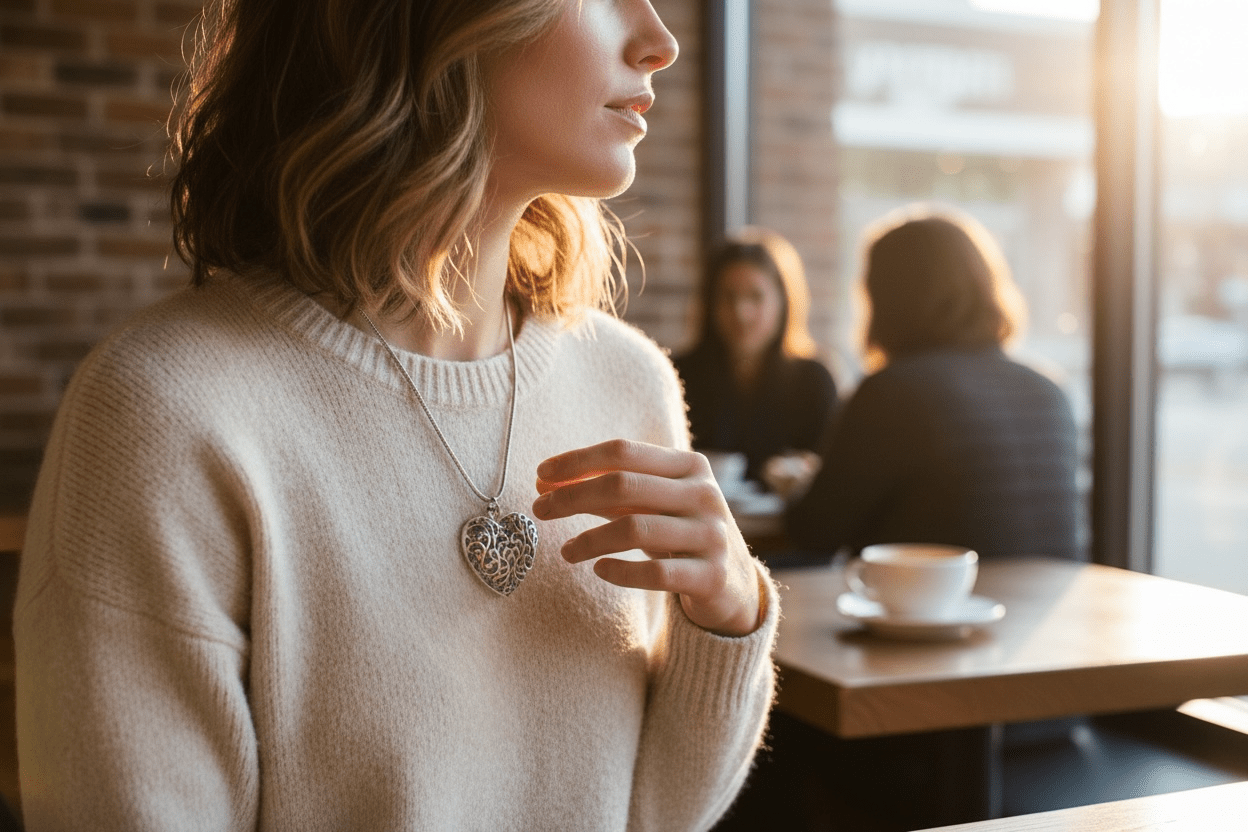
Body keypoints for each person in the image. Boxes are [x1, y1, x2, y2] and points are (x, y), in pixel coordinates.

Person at [14, 2, 779, 830]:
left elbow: (660, 817)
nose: (659, 42)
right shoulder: (167, 412)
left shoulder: (628, 381)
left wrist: (728, 619)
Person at [787, 206, 1081, 562]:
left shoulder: (892, 394)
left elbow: (813, 533)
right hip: (1050, 613)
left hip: (939, 612)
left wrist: (797, 489)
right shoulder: (1050, 392)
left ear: (884, 298)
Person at [674, 229, 837, 497]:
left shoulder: (814, 381)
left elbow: (830, 477)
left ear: (782, 302)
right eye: (728, 297)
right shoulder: (679, 376)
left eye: (756, 297)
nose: (741, 313)